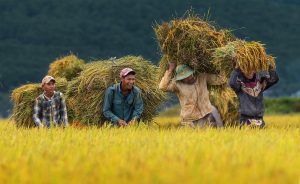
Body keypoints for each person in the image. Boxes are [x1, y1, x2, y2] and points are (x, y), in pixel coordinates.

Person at [159, 63, 225, 128]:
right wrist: (170, 70)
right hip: (189, 118)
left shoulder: (202, 77)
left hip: (205, 113)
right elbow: (162, 87)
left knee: (209, 133)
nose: (188, 78)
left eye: (189, 75)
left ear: (192, 72)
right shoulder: (177, 84)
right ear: (181, 79)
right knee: (194, 136)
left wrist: (221, 65)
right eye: (185, 77)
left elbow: (221, 80)